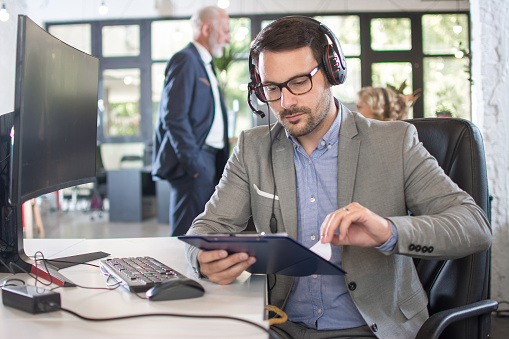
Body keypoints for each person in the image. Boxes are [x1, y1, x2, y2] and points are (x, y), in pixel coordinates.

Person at [184, 16, 491, 338]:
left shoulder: (395, 142)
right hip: (279, 325)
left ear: (332, 73)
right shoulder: (252, 148)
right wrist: (202, 260)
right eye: (271, 88)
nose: (286, 103)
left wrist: (387, 231)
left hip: (371, 328)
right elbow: (206, 229)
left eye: (299, 82)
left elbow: (474, 227)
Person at [152, 6, 231, 236]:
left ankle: (195, 273)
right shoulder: (185, 60)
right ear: (207, 28)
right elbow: (174, 117)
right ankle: (175, 274)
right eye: (225, 31)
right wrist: (194, 165)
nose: (228, 38)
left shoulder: (205, 64)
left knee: (202, 232)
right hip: (195, 162)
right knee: (187, 236)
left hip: (208, 160)